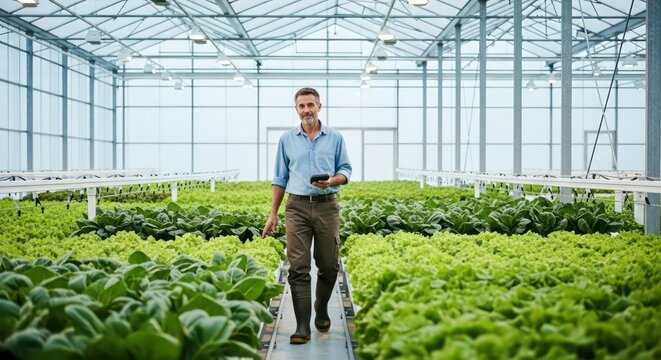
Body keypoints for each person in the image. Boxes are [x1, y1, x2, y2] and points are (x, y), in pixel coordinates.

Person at [262, 87, 352, 344]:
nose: (306, 110)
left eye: (310, 105)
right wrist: (273, 214)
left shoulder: (335, 137)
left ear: (319, 107)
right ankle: (302, 326)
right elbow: (280, 178)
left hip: (327, 206)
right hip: (296, 208)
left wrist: (334, 180)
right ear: (296, 109)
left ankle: (321, 308)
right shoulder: (286, 139)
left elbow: (346, 169)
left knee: (329, 265)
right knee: (298, 267)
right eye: (301, 106)